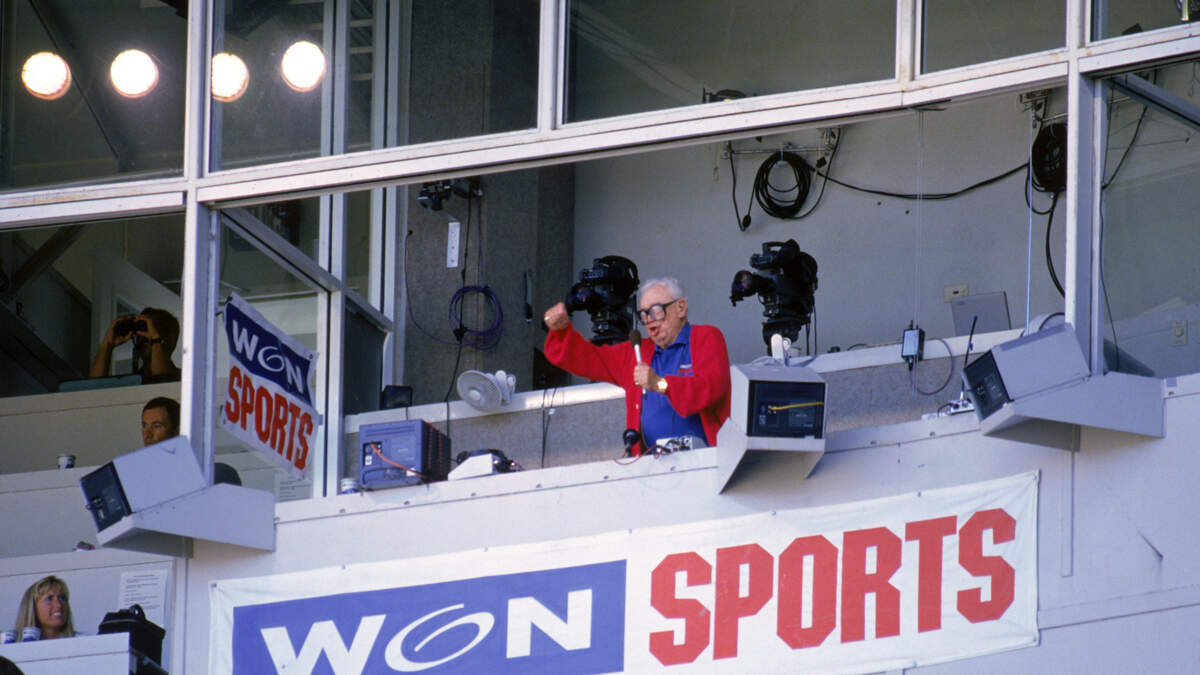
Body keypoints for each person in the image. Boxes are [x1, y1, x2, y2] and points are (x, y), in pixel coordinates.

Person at [543, 276, 730, 455]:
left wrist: (660, 384)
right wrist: (560, 332)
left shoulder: (706, 337)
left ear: (680, 308)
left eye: (656, 310)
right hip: (650, 465)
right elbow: (587, 358)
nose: (648, 319)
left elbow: (711, 388)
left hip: (706, 461)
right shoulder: (636, 352)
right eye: (644, 314)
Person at [89, 308, 182, 383]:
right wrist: (108, 344)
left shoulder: (185, 380)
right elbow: (92, 388)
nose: (142, 337)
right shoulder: (133, 381)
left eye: (149, 329)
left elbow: (160, 384)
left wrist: (156, 340)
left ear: (170, 340)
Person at [15, 576, 75, 641]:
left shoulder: (83, 641)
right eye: (49, 599)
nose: (59, 605)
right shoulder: (11, 647)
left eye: (62, 598)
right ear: (32, 607)